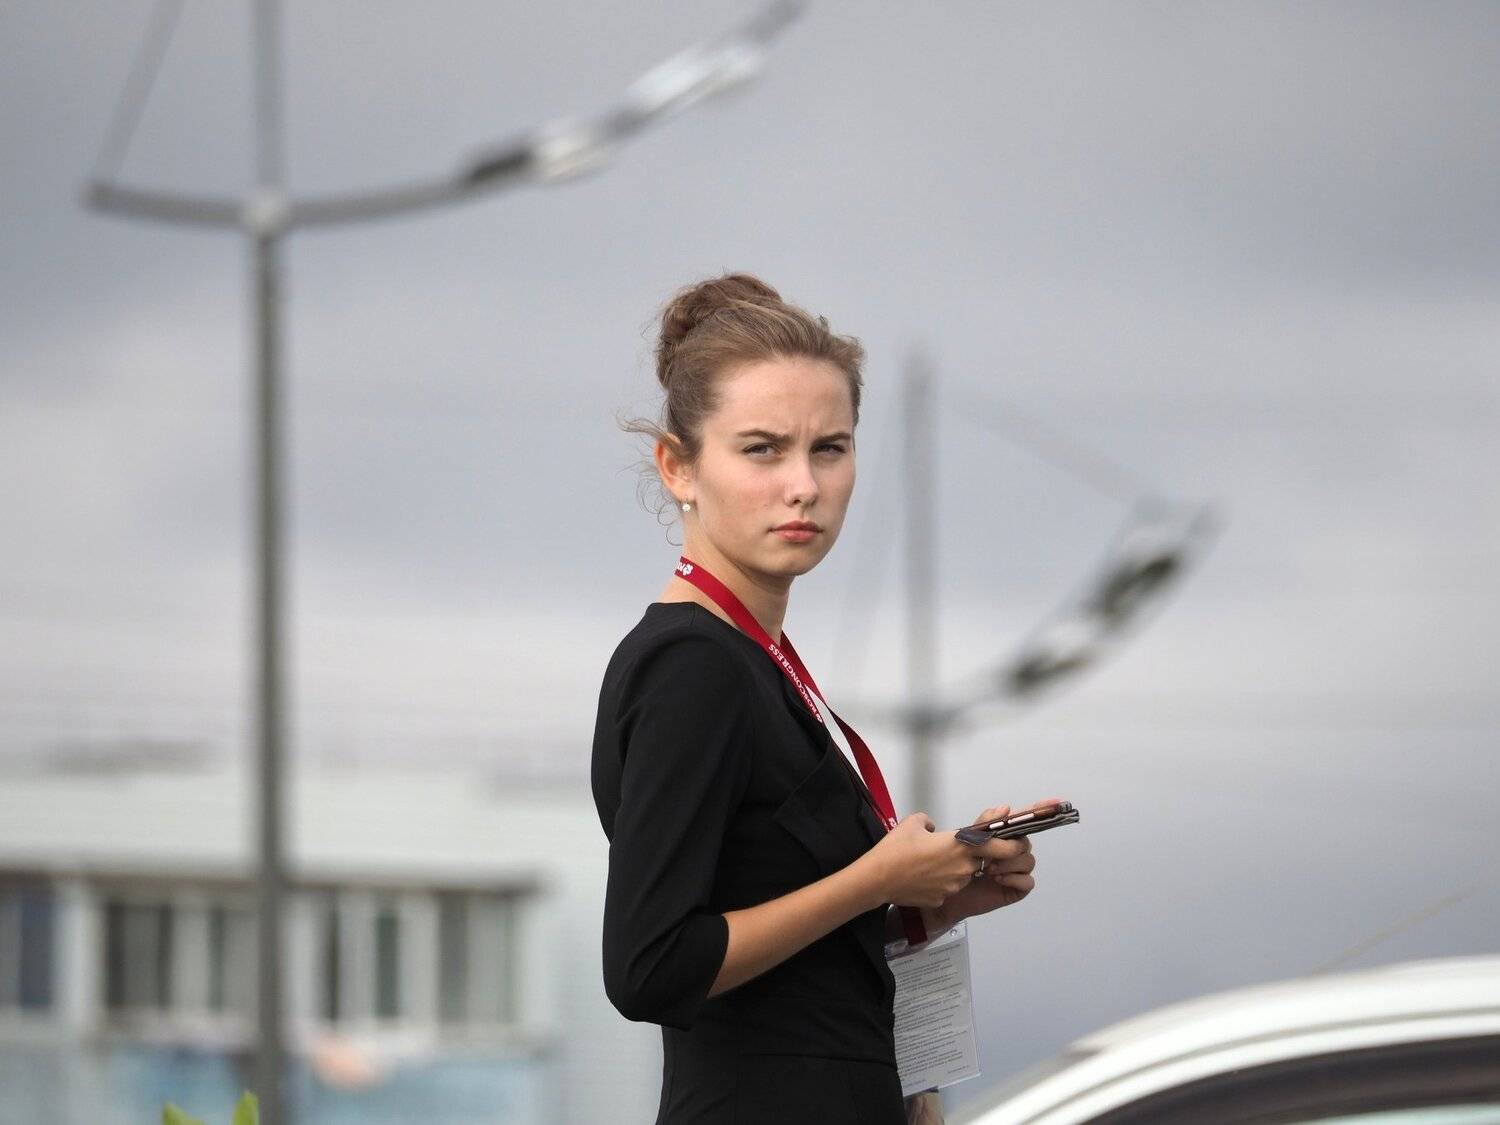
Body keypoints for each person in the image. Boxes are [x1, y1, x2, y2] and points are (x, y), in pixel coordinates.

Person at [591, 272, 1056, 1124]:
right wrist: (874, 878)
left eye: (830, 448)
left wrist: (926, 901)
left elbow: (780, 962)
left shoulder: (751, 660)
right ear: (678, 466)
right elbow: (651, 965)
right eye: (762, 449)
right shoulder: (692, 665)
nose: (803, 484)